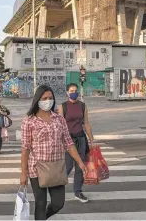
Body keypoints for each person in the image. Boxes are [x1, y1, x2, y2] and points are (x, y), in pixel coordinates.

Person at [20, 85, 88, 220]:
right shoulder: (29, 121)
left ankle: (42, 218)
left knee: (58, 203)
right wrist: (23, 173)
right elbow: (25, 149)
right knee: (41, 203)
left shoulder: (59, 119)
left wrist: (80, 162)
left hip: (56, 167)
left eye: (50, 98)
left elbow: (69, 143)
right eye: (44, 98)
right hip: (37, 169)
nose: (47, 101)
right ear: (37, 100)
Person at [58, 83, 94, 203]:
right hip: (68, 141)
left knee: (80, 167)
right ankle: (57, 189)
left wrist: (91, 140)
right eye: (72, 91)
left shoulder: (83, 106)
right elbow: (59, 126)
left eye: (76, 90)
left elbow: (87, 124)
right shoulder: (63, 107)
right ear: (67, 93)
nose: (74, 93)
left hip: (81, 139)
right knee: (67, 167)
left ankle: (78, 192)